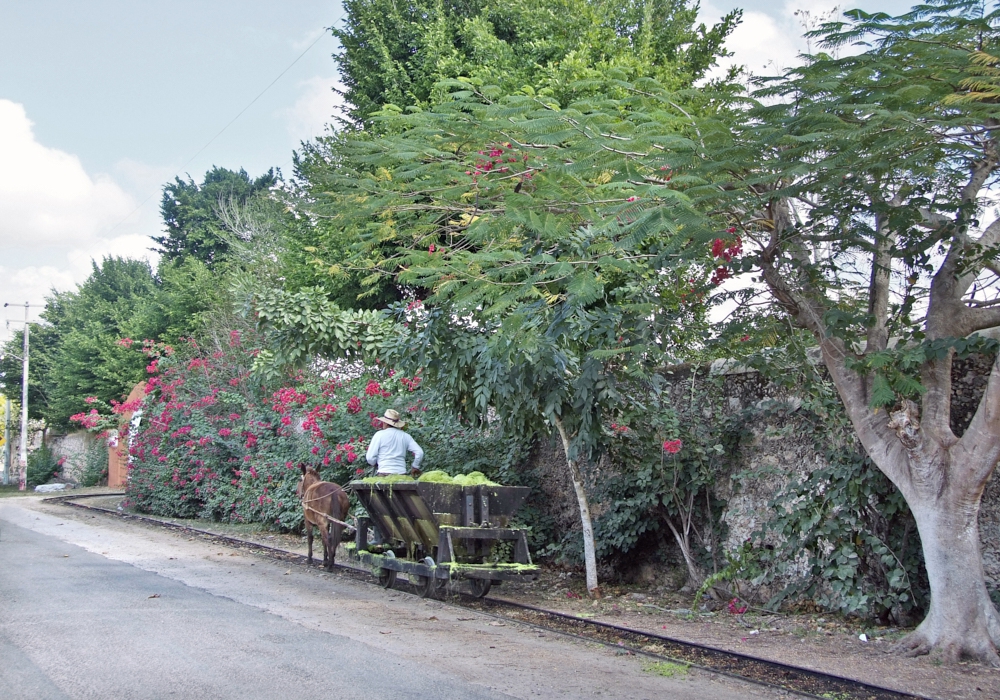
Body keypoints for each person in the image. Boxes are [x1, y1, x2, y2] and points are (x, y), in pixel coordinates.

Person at [366, 409, 424, 477]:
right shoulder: (405, 436)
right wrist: (415, 466)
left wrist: (375, 463)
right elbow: (420, 452)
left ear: (385, 423)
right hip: (401, 473)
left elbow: (370, 458)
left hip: (383, 473)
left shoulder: (379, 435)